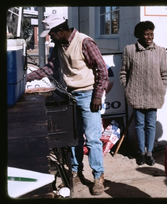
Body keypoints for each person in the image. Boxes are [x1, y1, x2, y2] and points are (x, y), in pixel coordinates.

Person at [26, 14, 109, 195]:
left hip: (88, 96)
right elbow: (50, 68)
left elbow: (102, 69)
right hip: (70, 95)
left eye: (52, 34)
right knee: (73, 138)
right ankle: (76, 172)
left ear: (61, 31)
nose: (50, 38)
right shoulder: (58, 45)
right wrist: (26, 77)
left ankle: (98, 177)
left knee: (93, 139)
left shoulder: (85, 42)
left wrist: (97, 95)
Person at [120, 21, 167, 166]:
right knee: (139, 125)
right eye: (146, 34)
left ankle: (150, 153)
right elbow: (123, 73)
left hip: (154, 94)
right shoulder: (129, 50)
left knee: (151, 124)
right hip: (136, 95)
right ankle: (141, 153)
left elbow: (165, 74)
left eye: (151, 34)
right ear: (140, 35)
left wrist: (162, 88)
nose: (149, 37)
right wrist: (128, 88)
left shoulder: (160, 51)